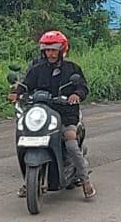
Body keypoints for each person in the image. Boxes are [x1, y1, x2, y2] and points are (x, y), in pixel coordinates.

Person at [7, 30, 96, 200]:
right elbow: (26, 85)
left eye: (54, 50)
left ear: (62, 50)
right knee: (24, 136)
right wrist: (17, 93)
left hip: (66, 113)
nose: (51, 54)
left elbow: (82, 87)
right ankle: (28, 181)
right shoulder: (36, 69)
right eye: (47, 50)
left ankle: (85, 180)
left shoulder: (72, 69)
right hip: (41, 112)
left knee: (70, 142)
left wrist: (76, 94)